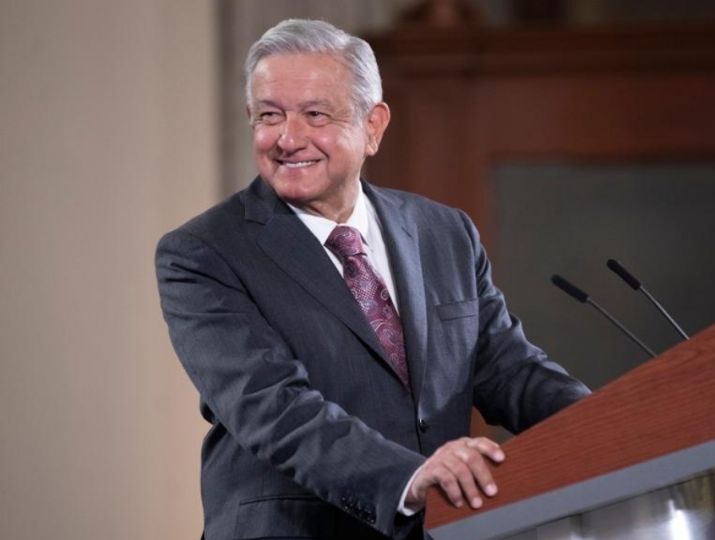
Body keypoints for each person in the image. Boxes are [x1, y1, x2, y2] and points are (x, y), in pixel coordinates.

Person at [156, 18, 590, 540]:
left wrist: (610, 425)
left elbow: (509, 371)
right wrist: (408, 477)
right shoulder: (204, 253)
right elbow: (273, 407)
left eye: (315, 114)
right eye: (270, 116)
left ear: (374, 126)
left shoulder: (443, 231)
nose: (289, 138)